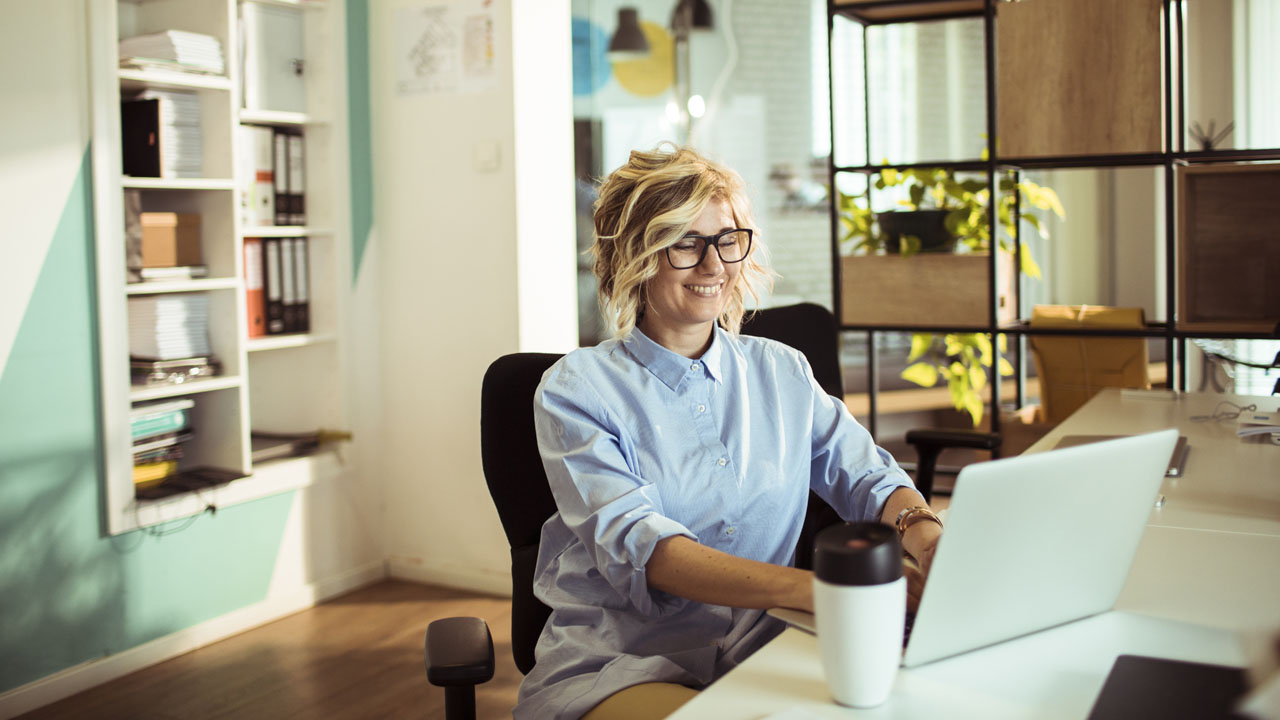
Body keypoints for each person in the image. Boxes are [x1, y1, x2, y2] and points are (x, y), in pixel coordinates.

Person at [515, 145, 942, 719]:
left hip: (769, 649)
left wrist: (925, 535)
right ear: (635, 254)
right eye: (685, 243)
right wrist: (815, 591)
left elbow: (868, 477)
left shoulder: (782, 371)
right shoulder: (577, 391)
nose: (713, 264)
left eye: (726, 239)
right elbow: (647, 551)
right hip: (624, 659)